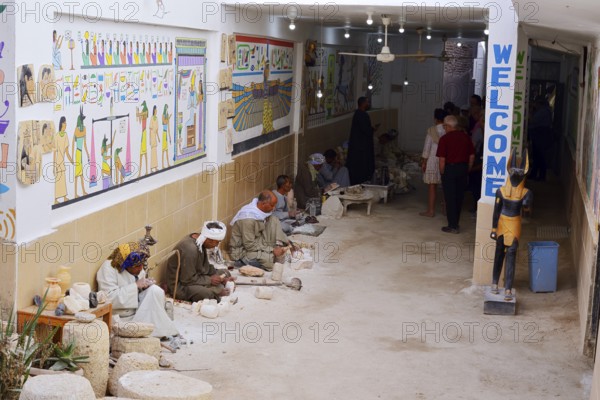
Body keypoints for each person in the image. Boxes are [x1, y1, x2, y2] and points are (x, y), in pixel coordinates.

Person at [96, 241, 179, 338]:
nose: (140, 269)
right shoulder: (108, 269)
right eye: (137, 266)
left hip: (137, 310)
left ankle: (159, 331)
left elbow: (139, 288)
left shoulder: (137, 263)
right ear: (125, 264)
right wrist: (135, 286)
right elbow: (109, 299)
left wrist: (145, 286)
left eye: (142, 265)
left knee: (155, 291)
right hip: (122, 317)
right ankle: (153, 331)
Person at [490, 149, 532, 300]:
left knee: (511, 256)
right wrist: (494, 228)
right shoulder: (501, 191)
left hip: (513, 225)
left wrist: (527, 205)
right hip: (503, 223)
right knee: (500, 253)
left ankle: (508, 288)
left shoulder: (525, 193)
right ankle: (495, 283)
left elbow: (526, 210)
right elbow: (496, 211)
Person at [167, 221, 235, 303]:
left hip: (197, 276)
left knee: (224, 272)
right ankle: (216, 291)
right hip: (181, 286)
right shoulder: (190, 250)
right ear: (210, 240)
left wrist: (221, 277)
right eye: (217, 242)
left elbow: (204, 266)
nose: (217, 245)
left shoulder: (200, 240)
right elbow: (187, 280)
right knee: (206, 294)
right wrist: (210, 280)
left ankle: (219, 286)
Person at [229, 190, 292, 271]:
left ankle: (275, 249)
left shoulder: (260, 211)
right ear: (263, 204)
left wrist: (288, 242)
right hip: (242, 249)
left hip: (257, 240)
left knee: (273, 220)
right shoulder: (248, 219)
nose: (274, 208)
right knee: (269, 261)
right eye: (272, 205)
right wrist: (272, 250)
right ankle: (243, 262)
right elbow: (249, 245)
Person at [436, 115, 475, 234]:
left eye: (444, 126)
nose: (444, 128)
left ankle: (453, 225)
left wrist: (442, 173)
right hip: (463, 169)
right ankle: (455, 223)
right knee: (459, 197)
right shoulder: (465, 137)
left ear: (447, 126)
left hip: (450, 170)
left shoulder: (444, 139)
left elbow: (442, 160)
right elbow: (472, 156)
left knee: (450, 198)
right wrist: (467, 169)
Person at [419, 108, 447, 217]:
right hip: (444, 159)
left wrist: (424, 162)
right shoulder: (448, 130)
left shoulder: (431, 130)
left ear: (435, 119)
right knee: (446, 186)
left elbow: (427, 148)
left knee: (432, 186)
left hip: (432, 159)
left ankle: (431, 211)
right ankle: (446, 210)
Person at [346, 97, 380, 185]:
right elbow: (365, 130)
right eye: (367, 102)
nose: (368, 104)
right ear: (363, 103)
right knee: (361, 166)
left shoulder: (359, 114)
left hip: (360, 145)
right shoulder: (361, 115)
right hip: (361, 148)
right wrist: (372, 129)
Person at [528, 96, 552, 181]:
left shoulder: (543, 112)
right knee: (538, 156)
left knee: (539, 156)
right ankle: (535, 174)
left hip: (540, 135)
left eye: (536, 104)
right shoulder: (545, 111)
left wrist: (530, 112)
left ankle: (540, 176)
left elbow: (532, 120)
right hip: (540, 135)